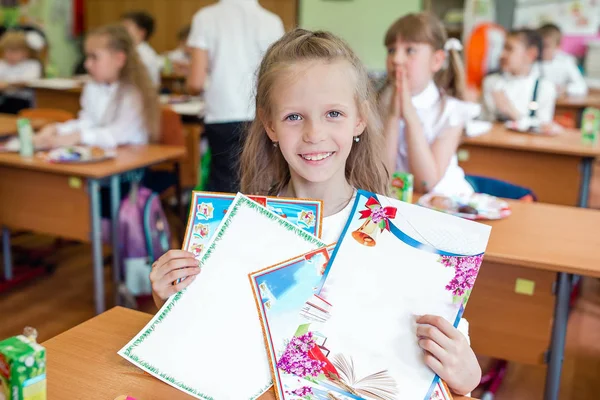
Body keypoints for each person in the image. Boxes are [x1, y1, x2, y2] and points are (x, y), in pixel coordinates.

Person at [150, 29, 481, 396]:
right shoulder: (238, 230)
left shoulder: (402, 236)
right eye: (294, 117)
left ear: (360, 119)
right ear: (269, 124)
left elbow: (449, 360)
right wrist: (174, 303)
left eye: (333, 113)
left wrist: (465, 373)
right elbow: (209, 343)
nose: (314, 133)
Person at [186, 0, 284, 193]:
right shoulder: (271, 21)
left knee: (224, 180)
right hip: (261, 112)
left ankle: (224, 222)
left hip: (221, 111)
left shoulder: (205, 17)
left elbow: (195, 82)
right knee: (261, 177)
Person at [380, 13, 479, 196]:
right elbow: (380, 177)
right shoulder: (378, 107)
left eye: (410, 50)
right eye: (391, 50)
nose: (397, 59)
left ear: (437, 61)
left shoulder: (452, 112)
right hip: (401, 205)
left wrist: (409, 114)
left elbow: (425, 183)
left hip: (444, 205)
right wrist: (393, 117)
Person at [33, 24, 159, 149]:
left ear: (119, 59)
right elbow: (87, 122)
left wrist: (78, 137)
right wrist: (57, 129)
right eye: (87, 57)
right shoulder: (93, 86)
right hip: (103, 155)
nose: (87, 64)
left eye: (94, 57)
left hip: (132, 160)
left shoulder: (134, 91)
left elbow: (119, 134)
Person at [481, 28, 557, 126]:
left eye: (509, 49)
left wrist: (511, 112)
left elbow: (543, 127)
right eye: (503, 48)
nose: (502, 54)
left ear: (531, 54)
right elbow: (483, 121)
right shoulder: (491, 82)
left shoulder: (544, 88)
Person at [0, 30, 44, 114]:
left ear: (25, 52)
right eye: (6, 51)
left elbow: (27, 82)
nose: (9, 55)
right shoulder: (2, 63)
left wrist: (7, 84)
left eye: (14, 51)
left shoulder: (32, 65)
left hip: (23, 103)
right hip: (3, 99)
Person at [538, 23, 587, 97]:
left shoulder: (566, 61)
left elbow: (582, 87)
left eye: (546, 46)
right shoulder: (531, 60)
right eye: (539, 45)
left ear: (557, 46)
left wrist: (565, 89)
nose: (541, 49)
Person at [121, 11, 161, 86]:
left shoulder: (143, 54)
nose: (121, 31)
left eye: (126, 27)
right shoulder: (132, 50)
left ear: (141, 32)